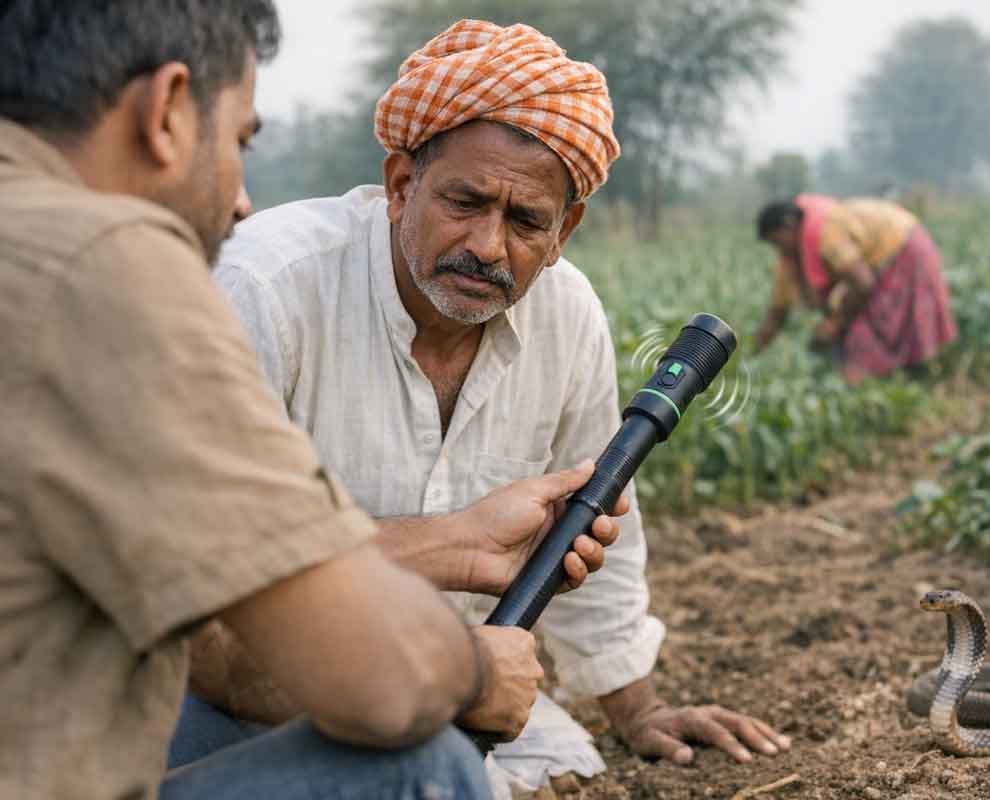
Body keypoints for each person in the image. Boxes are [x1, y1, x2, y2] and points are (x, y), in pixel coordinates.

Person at [0, 4, 626, 798]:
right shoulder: (118, 264)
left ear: (561, 232)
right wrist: (471, 671)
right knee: (429, 766)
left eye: (525, 220)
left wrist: (464, 551)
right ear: (166, 112)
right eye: (239, 142)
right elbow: (314, 651)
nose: (238, 203)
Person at [191, 19, 792, 797]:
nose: (488, 246)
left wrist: (637, 709)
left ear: (564, 231)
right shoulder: (266, 289)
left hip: (459, 685)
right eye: (464, 202)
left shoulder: (567, 315)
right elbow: (205, 585)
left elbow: (605, 514)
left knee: (557, 774)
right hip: (249, 685)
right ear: (402, 184)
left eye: (526, 221)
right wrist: (452, 549)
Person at [753, 194, 957, 383]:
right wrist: (751, 355)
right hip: (878, 263)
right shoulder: (791, 254)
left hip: (904, 248)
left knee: (883, 325)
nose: (778, 249)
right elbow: (778, 311)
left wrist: (835, 324)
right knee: (859, 323)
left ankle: (908, 381)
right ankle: (899, 379)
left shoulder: (826, 233)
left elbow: (862, 283)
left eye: (777, 241)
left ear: (789, 226)